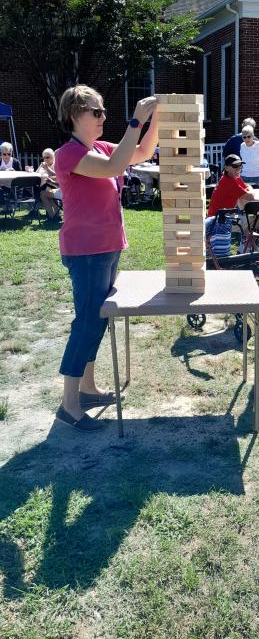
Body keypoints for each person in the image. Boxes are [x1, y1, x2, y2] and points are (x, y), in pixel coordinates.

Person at [54, 84, 159, 432]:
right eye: (95, 112)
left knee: (98, 319)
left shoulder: (100, 146)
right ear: (74, 115)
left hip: (107, 249)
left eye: (103, 111)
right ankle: (69, 405)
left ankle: (86, 388)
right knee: (86, 321)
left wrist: (155, 118)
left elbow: (142, 152)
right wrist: (135, 120)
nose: (103, 117)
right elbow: (116, 166)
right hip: (86, 253)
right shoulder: (67, 154)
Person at [37, 148, 62, 220]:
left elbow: (58, 176)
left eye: (47, 157)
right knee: (46, 192)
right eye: (44, 157)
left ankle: (52, 217)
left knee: (44, 193)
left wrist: (51, 180)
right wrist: (51, 181)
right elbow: (59, 179)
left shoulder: (58, 165)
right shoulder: (66, 165)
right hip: (60, 189)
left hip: (63, 192)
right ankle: (55, 215)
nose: (45, 159)